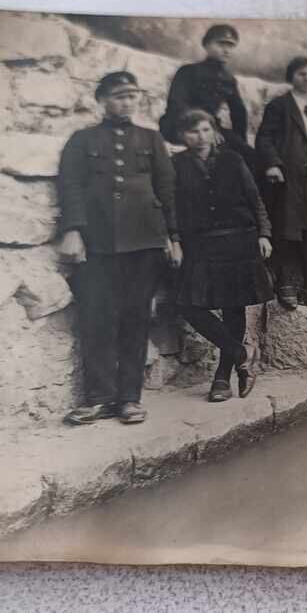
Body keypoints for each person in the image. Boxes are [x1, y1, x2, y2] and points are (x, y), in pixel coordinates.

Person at [56, 71, 178, 426]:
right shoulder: (82, 140)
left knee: (136, 319)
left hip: (145, 243)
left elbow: (167, 189)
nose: (127, 102)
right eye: (119, 96)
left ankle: (128, 399)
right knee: (97, 318)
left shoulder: (151, 139)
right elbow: (71, 186)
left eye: (132, 95)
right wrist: (74, 231)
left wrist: (174, 236)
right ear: (102, 101)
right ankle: (98, 398)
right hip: (98, 245)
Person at [168, 110, 275, 402]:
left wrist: (264, 233)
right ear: (182, 137)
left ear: (214, 132)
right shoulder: (175, 165)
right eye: (192, 132)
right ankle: (242, 354)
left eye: (205, 130)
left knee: (233, 307)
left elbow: (255, 199)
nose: (199, 137)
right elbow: (171, 207)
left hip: (238, 240)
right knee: (188, 305)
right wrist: (175, 239)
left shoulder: (233, 160)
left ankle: (221, 379)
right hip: (199, 244)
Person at [256, 56, 307, 313]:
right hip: (289, 177)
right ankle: (285, 285)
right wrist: (272, 163)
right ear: (291, 76)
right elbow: (264, 137)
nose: (306, 79)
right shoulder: (280, 105)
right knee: (288, 231)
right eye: (301, 74)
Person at [158, 23, 262, 177]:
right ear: (206, 45)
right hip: (179, 125)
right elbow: (177, 104)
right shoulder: (188, 71)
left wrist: (240, 141)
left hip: (212, 128)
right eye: (221, 44)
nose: (226, 50)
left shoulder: (228, 79)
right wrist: (206, 127)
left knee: (250, 156)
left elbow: (238, 113)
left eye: (231, 46)